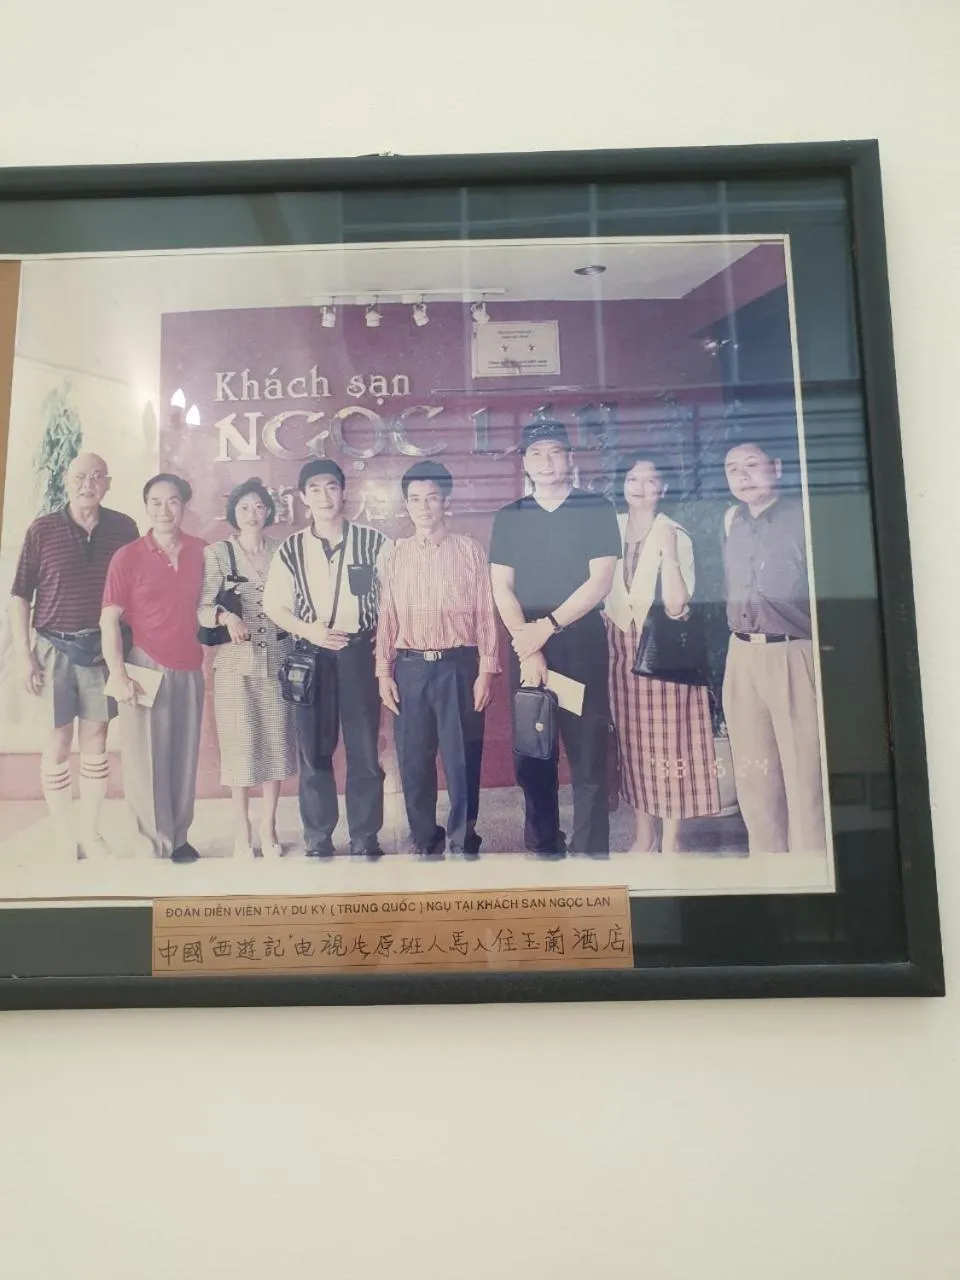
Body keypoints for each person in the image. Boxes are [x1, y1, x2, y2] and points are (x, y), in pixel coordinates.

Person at [489, 421, 620, 858]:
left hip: (580, 643)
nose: (546, 462)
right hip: (526, 646)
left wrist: (547, 629)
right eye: (536, 454)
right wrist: (529, 646)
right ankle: (543, 846)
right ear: (525, 462)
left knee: (587, 753)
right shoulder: (510, 517)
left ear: (569, 459)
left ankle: (591, 850)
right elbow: (501, 587)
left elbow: (600, 581)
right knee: (534, 753)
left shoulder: (595, 507)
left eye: (555, 452)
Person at [8, 452, 139, 860]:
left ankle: (92, 833)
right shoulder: (42, 529)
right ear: (68, 481)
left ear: (108, 483)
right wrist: (23, 656)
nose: (89, 483)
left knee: (96, 739)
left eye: (97, 476)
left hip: (103, 650)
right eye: (81, 476)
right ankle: (66, 835)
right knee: (59, 739)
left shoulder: (124, 528)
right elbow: (18, 596)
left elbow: (136, 591)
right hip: (52, 647)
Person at [263, 459, 389, 859]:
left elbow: (393, 601)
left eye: (331, 487)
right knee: (314, 753)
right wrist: (309, 631)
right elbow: (274, 606)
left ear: (344, 491)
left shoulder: (374, 543)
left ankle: (365, 836)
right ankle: (318, 838)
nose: (324, 496)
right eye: (314, 489)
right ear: (302, 497)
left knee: (365, 751)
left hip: (358, 655)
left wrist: (380, 643)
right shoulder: (291, 549)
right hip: (311, 656)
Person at [376, 460, 499, 860]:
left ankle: (464, 837)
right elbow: (387, 616)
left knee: (462, 757)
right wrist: (384, 672)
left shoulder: (469, 551)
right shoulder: (395, 555)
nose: (423, 506)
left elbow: (485, 612)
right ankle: (425, 838)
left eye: (431, 498)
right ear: (406, 506)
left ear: (446, 501)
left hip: (458, 666)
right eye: (415, 499)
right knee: (414, 759)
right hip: (410, 668)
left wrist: (486, 669)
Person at [604, 454, 720, 853]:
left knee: (670, 744)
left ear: (664, 489)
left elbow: (675, 606)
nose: (639, 486)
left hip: (661, 652)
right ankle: (643, 835)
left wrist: (668, 552)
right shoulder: (610, 529)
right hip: (617, 651)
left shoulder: (675, 533)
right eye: (632, 478)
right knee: (633, 744)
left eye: (650, 480)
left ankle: (670, 841)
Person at [721, 435, 827, 854]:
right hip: (741, 655)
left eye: (751, 464)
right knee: (753, 773)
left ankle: (810, 871)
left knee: (805, 773)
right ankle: (770, 871)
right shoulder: (731, 520)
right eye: (732, 469)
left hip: (794, 654)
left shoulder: (805, 517)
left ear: (777, 467)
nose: (742, 476)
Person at [100, 473, 206, 863]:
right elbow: (109, 620)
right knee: (146, 758)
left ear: (185, 505)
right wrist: (118, 673)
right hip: (145, 665)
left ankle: (178, 838)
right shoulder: (127, 556)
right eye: (156, 502)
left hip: (190, 665)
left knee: (183, 754)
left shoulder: (201, 551)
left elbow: (212, 605)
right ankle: (151, 840)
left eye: (173, 501)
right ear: (146, 507)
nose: (165, 509)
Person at [198, 477, 297, 860]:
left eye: (259, 507)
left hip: (279, 660)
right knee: (240, 747)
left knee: (275, 743)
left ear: (269, 511)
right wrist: (225, 616)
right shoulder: (218, 553)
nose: (252, 514)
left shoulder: (283, 550)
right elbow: (203, 607)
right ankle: (242, 830)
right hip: (235, 665)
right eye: (244, 508)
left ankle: (269, 827)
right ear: (233, 514)